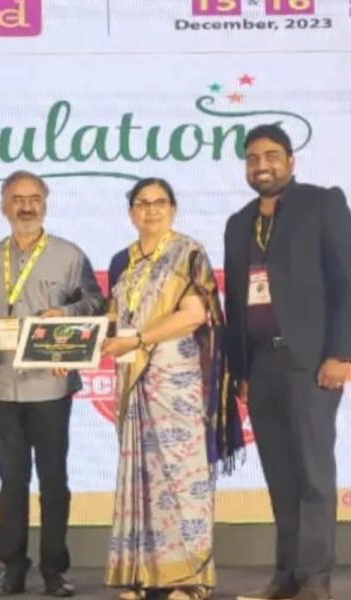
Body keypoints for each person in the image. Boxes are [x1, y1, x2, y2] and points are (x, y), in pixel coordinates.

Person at [224, 125, 351, 600]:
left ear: (291, 161)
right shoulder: (239, 222)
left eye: (271, 156)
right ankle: (287, 575)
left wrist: (341, 353)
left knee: (313, 475)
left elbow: (347, 281)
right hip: (260, 365)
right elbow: (236, 301)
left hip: (311, 362)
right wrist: (241, 372)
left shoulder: (322, 204)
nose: (262, 165)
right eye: (253, 158)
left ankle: (316, 579)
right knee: (279, 474)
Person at [102, 178, 240, 600]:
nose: (151, 210)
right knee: (140, 478)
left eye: (159, 202)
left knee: (182, 479)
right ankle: (141, 576)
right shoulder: (122, 260)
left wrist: (141, 339)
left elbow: (194, 314)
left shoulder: (188, 252)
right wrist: (67, 349)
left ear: (173, 209)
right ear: (131, 213)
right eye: (142, 203)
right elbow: (113, 322)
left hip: (177, 380)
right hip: (134, 379)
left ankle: (189, 580)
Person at [0, 170, 105, 597]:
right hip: (1, 385)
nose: (26, 206)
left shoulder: (69, 254)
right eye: (17, 199)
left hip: (52, 386)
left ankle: (55, 570)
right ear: (3, 205)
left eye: (34, 198)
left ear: (45, 204)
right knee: (11, 483)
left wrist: (64, 316)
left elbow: (96, 303)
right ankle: (12, 568)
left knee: (54, 481)